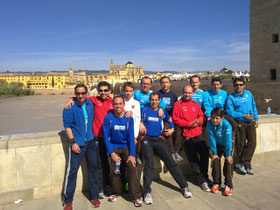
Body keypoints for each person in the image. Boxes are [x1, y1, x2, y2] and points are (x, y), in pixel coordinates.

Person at [141, 93, 192, 205]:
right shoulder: (143, 110)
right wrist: (140, 123)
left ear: (159, 101)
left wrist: (172, 129)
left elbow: (170, 119)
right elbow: (134, 116)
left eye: (156, 100)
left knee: (170, 161)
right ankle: (147, 192)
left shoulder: (161, 111)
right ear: (149, 100)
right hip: (146, 139)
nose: (154, 102)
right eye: (152, 100)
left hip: (158, 139)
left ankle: (184, 187)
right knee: (149, 164)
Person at [64, 81, 113, 198]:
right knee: (96, 166)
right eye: (101, 90)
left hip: (109, 138)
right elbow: (79, 99)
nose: (103, 92)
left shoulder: (112, 101)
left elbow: (121, 107)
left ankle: (108, 190)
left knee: (109, 165)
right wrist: (70, 99)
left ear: (109, 91)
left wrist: (129, 112)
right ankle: (71, 199)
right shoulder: (93, 101)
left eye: (106, 90)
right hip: (95, 137)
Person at [62, 84, 100, 209]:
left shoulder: (90, 104)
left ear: (87, 93)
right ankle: (68, 200)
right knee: (72, 171)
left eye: (83, 93)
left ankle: (94, 196)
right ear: (75, 94)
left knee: (93, 169)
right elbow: (67, 126)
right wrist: (73, 142)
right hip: (77, 143)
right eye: (78, 94)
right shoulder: (69, 107)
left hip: (90, 142)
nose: (80, 96)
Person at [103, 96, 143, 207]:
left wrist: (132, 154)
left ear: (123, 105)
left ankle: (135, 196)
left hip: (126, 147)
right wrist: (112, 153)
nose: (118, 106)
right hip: (114, 147)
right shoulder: (108, 118)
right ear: (113, 105)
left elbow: (131, 137)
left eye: (120, 104)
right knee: (114, 170)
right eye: (116, 104)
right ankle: (116, 192)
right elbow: (106, 137)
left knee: (131, 166)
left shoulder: (128, 118)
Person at [173, 86, 211, 192]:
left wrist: (199, 121)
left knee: (204, 154)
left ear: (192, 94)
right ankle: (200, 180)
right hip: (186, 135)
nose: (187, 95)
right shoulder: (178, 104)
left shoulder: (195, 103)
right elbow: (176, 119)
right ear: (182, 93)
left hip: (197, 133)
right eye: (185, 93)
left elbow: (201, 115)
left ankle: (205, 176)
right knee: (193, 159)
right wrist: (188, 124)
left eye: (189, 93)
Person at [226, 77, 259, 175]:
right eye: (236, 85)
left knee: (252, 143)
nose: (238, 86)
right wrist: (243, 115)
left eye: (240, 85)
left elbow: (253, 106)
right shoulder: (231, 97)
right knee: (241, 144)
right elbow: (229, 112)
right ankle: (247, 164)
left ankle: (243, 163)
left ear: (244, 85)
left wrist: (256, 118)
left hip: (251, 122)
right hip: (241, 123)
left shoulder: (248, 94)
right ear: (234, 86)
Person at [207, 108, 233, 196]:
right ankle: (216, 183)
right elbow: (211, 139)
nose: (214, 120)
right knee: (215, 160)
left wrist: (228, 155)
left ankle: (228, 185)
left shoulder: (227, 125)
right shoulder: (209, 123)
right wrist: (214, 153)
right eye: (213, 118)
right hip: (217, 144)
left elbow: (228, 141)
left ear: (222, 118)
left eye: (217, 118)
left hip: (227, 144)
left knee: (228, 162)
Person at [157, 76, 183, 162]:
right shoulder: (158, 94)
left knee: (178, 129)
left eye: (166, 82)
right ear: (161, 84)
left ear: (170, 83)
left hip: (172, 117)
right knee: (167, 129)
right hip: (162, 119)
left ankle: (176, 151)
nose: (165, 84)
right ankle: (171, 152)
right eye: (163, 82)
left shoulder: (173, 95)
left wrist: (173, 118)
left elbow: (175, 107)